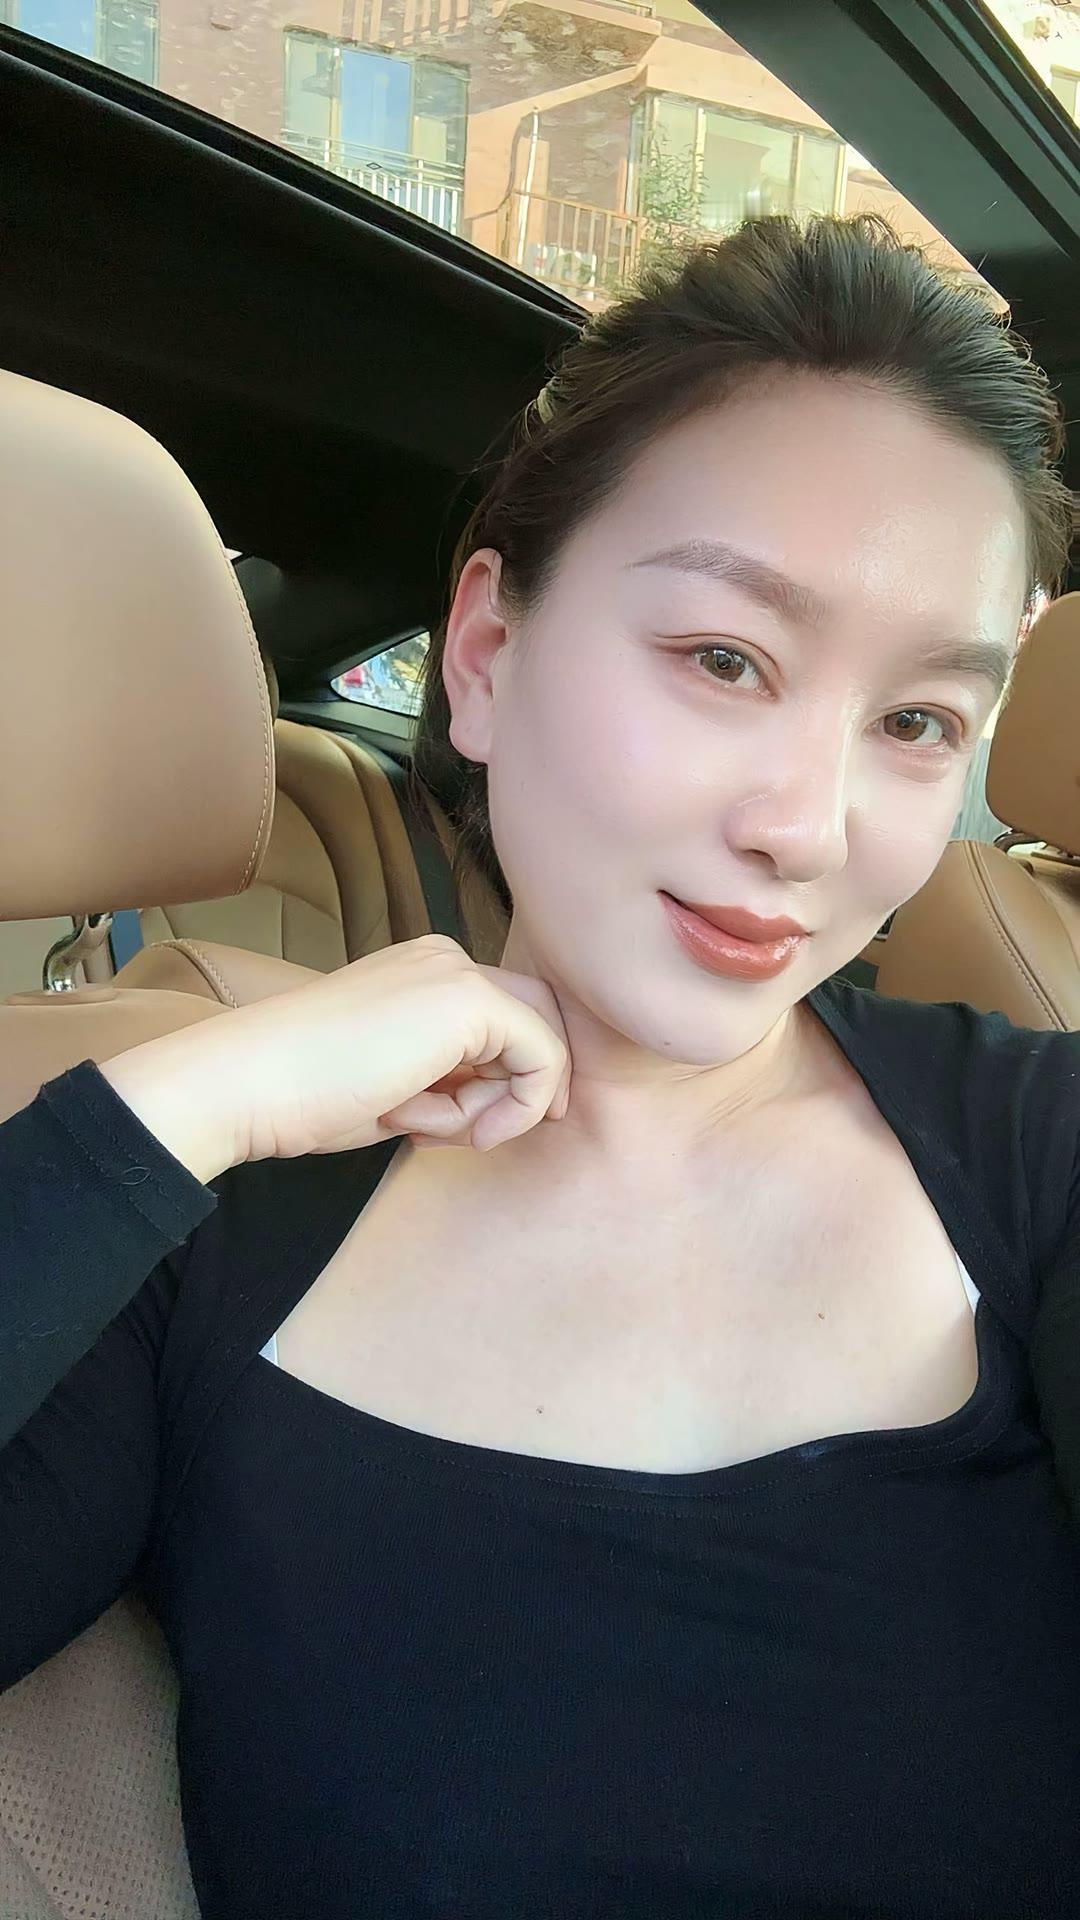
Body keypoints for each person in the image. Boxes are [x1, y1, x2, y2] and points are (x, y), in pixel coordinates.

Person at [3, 214, 1079, 1920]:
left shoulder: (1043, 1148)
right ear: (486, 658)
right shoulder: (199, 1230)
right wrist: (187, 1103)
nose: (809, 827)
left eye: (916, 722)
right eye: (724, 659)